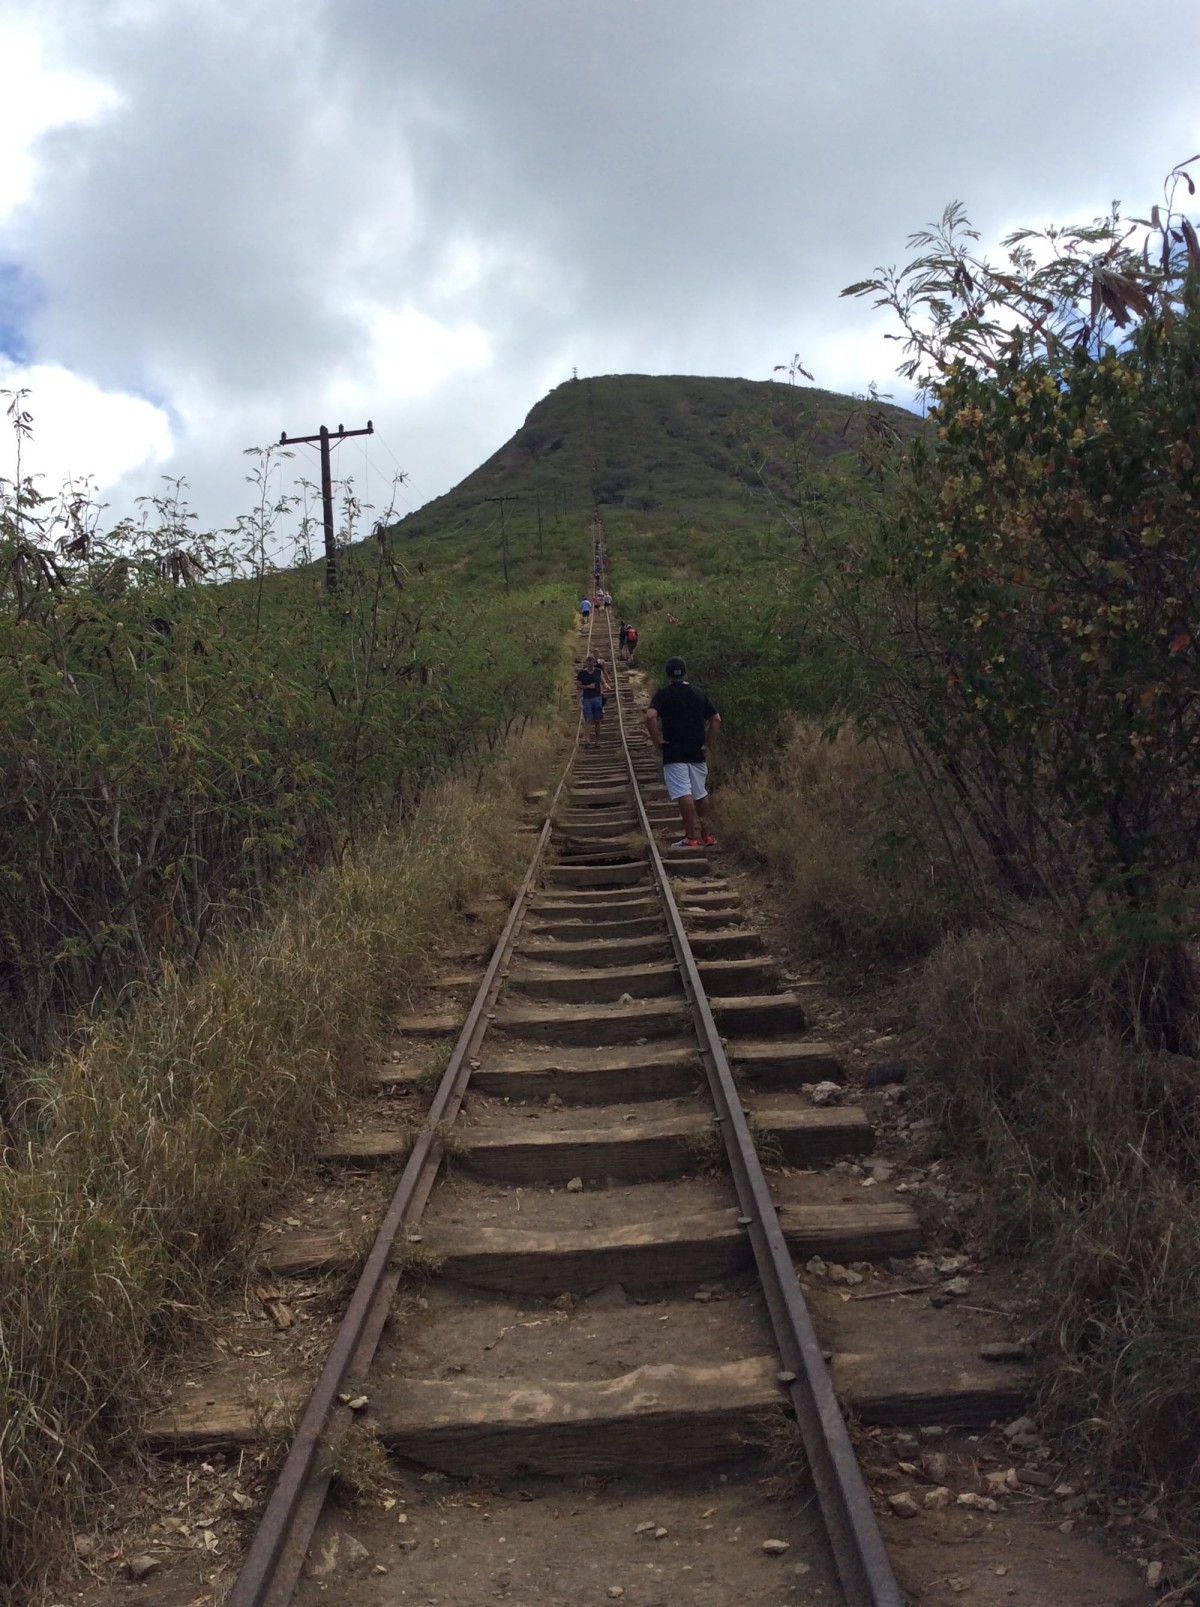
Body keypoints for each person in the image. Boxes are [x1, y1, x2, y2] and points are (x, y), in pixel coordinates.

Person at [645, 656, 720, 848]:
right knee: (700, 793)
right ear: (685, 672)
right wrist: (707, 744)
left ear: (668, 675)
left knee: (683, 793)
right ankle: (708, 835)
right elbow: (716, 719)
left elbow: (650, 716)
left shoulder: (663, 694)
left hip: (674, 750)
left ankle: (690, 837)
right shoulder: (697, 692)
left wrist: (657, 742)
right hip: (696, 750)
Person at [576, 653, 609, 747]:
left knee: (598, 720)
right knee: (588, 720)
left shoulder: (598, 671)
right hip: (587, 698)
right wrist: (587, 686)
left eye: (592, 662)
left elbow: (602, 681)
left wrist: (606, 685)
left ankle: (597, 741)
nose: (590, 664)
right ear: (586, 663)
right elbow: (578, 686)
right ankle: (587, 741)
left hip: (597, 697)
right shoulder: (582, 673)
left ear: (594, 663)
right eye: (588, 662)